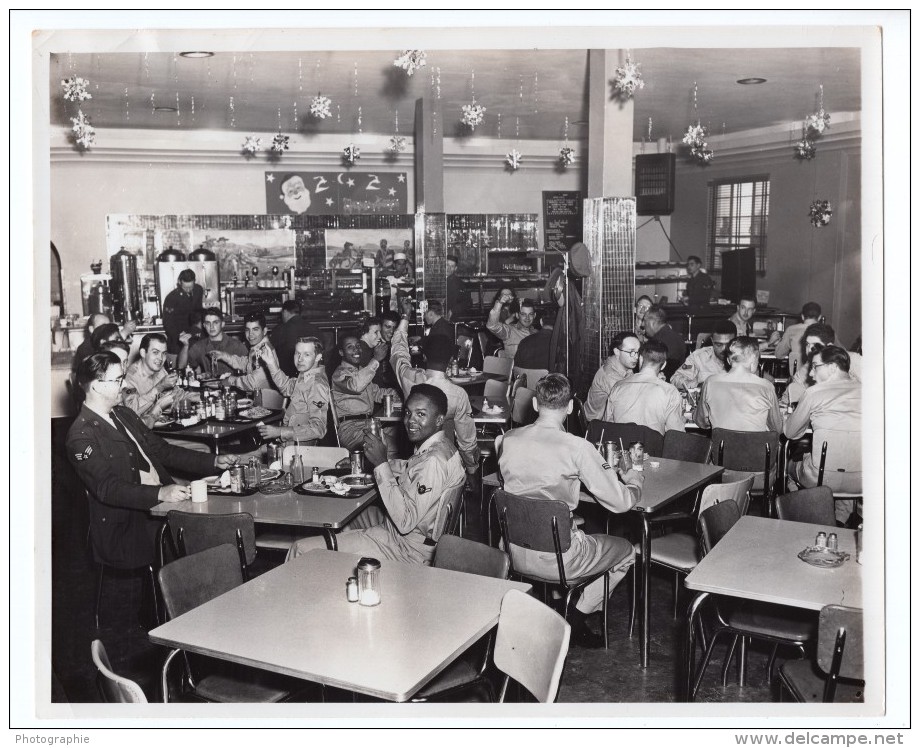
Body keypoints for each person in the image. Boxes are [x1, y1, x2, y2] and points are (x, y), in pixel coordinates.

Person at [496, 374, 642, 648]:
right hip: (559, 561)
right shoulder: (578, 447)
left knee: (568, 522)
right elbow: (621, 504)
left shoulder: (508, 440)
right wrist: (634, 481)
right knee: (628, 553)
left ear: (536, 404)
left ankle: (556, 604)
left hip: (510, 552)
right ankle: (575, 617)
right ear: (571, 407)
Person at [66, 352, 238, 568]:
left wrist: (213, 461)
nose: (125, 384)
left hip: (158, 507)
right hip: (130, 525)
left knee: (223, 521)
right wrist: (160, 493)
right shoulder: (81, 436)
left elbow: (164, 452)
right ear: (97, 386)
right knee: (212, 538)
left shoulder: (123, 414)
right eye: (118, 380)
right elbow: (108, 488)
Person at [286, 384, 466, 565]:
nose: (410, 420)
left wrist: (381, 464)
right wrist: (367, 464)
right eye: (408, 413)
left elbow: (404, 522)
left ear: (439, 419)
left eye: (421, 414)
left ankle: (336, 558)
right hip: (416, 536)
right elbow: (410, 469)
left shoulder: (433, 461)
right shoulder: (444, 447)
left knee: (300, 549)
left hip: (405, 548)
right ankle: (340, 566)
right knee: (351, 514)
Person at [390, 314, 480, 476]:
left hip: (413, 456)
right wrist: (472, 469)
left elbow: (398, 354)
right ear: (452, 359)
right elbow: (466, 440)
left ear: (424, 356)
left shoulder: (409, 378)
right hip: (445, 460)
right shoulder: (459, 395)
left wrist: (404, 317)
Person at [784, 345, 861, 523]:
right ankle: (838, 521)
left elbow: (790, 433)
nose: (811, 374)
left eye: (815, 366)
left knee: (788, 465)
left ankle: (805, 514)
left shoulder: (813, 393)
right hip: (863, 480)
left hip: (820, 478)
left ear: (833, 367)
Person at [695, 336, 782, 433]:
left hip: (722, 446)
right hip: (756, 447)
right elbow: (777, 428)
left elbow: (701, 422)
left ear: (728, 360)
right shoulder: (766, 386)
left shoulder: (710, 382)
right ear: (753, 358)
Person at [256, 337, 330, 446]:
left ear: (318, 357)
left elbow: (318, 429)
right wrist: (271, 363)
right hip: (291, 442)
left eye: (306, 354)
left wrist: (280, 431)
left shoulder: (316, 385)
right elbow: (286, 387)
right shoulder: (306, 376)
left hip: (300, 449)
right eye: (297, 353)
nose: (300, 359)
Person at [331, 334, 399, 450]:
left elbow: (377, 393)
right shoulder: (339, 374)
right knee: (393, 446)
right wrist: (376, 360)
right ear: (341, 353)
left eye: (358, 345)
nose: (356, 349)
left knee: (401, 435)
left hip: (368, 424)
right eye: (350, 347)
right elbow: (355, 385)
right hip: (351, 429)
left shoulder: (362, 371)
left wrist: (403, 393)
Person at [605, 339, 685, 435]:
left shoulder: (617, 387)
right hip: (653, 448)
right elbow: (675, 435)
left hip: (621, 447)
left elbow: (607, 425)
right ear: (664, 365)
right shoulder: (670, 392)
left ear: (641, 359)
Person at [780, 322, 863, 409]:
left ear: (830, 346)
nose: (809, 350)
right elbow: (786, 400)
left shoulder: (853, 361)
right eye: (807, 344)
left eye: (816, 345)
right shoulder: (805, 371)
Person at [122, 333, 178, 427]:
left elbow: (175, 395)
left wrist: (203, 397)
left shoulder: (159, 369)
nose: (160, 358)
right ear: (143, 353)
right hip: (139, 431)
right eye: (155, 352)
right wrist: (160, 387)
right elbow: (131, 412)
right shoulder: (130, 376)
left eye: (164, 353)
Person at [583, 331, 640, 422]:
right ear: (617, 352)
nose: (636, 357)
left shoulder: (626, 367)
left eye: (638, 352)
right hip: (596, 426)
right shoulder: (609, 375)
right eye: (631, 352)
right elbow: (630, 402)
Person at [213, 312, 276, 393]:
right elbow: (247, 364)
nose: (250, 334)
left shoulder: (264, 351)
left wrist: (230, 380)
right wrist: (224, 356)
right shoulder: (258, 347)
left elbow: (253, 383)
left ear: (264, 331)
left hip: (267, 401)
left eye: (255, 329)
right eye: (247, 330)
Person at [179, 307, 247, 377]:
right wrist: (185, 346)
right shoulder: (200, 346)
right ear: (204, 325)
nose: (211, 327)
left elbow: (250, 370)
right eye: (208, 323)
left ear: (223, 324)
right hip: (208, 386)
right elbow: (181, 367)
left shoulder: (237, 346)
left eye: (215, 322)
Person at [670, 320, 736, 392]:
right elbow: (675, 379)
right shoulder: (699, 357)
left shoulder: (746, 357)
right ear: (712, 341)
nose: (724, 349)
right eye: (719, 345)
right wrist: (698, 385)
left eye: (728, 344)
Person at [269, 300, 323, 378]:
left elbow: (271, 353)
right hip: (313, 375)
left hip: (286, 377)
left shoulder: (280, 330)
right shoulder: (315, 329)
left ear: (285, 312)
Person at [162, 269, 204, 355]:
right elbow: (168, 323)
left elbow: (198, 311)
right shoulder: (171, 298)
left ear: (194, 282)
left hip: (195, 338)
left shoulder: (198, 290)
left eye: (190, 287)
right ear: (180, 283)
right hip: (178, 342)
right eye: (185, 288)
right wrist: (179, 334)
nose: (188, 290)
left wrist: (199, 325)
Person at [774, 302, 822, 373]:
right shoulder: (827, 331)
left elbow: (779, 354)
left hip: (796, 376)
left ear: (802, 316)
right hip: (820, 377)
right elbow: (842, 352)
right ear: (820, 317)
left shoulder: (791, 329)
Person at [642, 305, 687, 378]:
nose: (642, 325)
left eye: (644, 321)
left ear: (652, 322)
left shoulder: (656, 344)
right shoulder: (678, 338)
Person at [486, 293, 536, 360]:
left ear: (534, 315)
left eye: (530, 314)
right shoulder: (509, 331)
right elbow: (492, 325)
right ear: (517, 315)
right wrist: (499, 303)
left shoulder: (537, 333)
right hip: (514, 369)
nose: (527, 318)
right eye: (523, 314)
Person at [444, 255, 471, 321]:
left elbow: (468, 302)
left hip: (451, 317)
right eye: (447, 265)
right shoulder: (434, 280)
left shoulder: (459, 283)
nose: (448, 268)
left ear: (455, 268)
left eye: (452, 266)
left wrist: (453, 310)